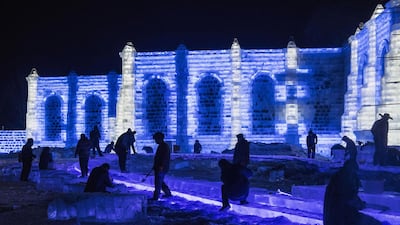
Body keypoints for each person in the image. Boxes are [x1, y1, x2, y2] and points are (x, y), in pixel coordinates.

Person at [323, 160, 381, 225]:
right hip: (342, 217)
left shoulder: (338, 177)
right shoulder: (345, 178)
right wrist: (362, 205)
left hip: (335, 216)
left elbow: (349, 197)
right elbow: (349, 198)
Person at [149, 132, 172, 201]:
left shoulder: (164, 146)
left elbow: (164, 157)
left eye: (156, 139)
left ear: (160, 139)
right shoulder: (162, 146)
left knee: (158, 182)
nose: (155, 141)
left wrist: (161, 165)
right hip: (159, 166)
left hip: (161, 167)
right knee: (160, 182)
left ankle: (155, 197)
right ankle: (168, 193)